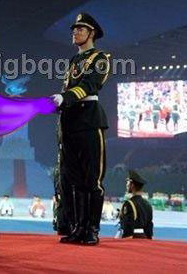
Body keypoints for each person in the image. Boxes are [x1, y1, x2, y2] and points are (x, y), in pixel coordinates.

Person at [51, 13, 111, 246]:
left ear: (92, 33)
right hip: (71, 122)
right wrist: (58, 103)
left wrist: (64, 98)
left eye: (80, 29)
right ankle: (78, 228)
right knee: (74, 180)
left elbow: (90, 85)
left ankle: (92, 230)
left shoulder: (101, 58)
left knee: (92, 179)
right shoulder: (74, 60)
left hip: (89, 120)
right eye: (74, 29)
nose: (75, 32)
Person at [118, 170, 153, 239]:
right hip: (144, 239)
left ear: (132, 185)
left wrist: (125, 240)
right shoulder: (148, 204)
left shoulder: (129, 204)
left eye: (128, 182)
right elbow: (149, 226)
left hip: (133, 239)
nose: (126, 185)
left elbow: (128, 227)